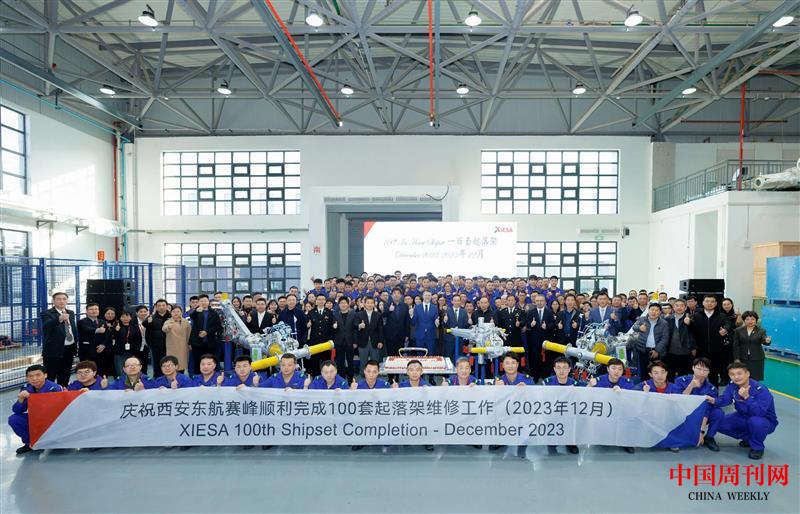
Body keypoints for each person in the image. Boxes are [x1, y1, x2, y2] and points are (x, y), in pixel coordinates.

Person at [711, 362, 778, 460]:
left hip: (764, 419)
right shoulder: (732, 386)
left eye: (739, 373)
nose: (736, 377)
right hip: (742, 416)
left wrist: (747, 397)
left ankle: (757, 447)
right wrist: (714, 400)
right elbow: (725, 399)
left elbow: (759, 412)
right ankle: (749, 438)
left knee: (756, 422)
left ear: (747, 374)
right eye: (732, 374)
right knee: (717, 423)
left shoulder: (761, 390)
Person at [8, 364, 63, 454]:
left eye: (38, 375)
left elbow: (56, 410)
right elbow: (17, 411)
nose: (34, 378)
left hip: (54, 420)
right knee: (14, 419)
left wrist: (34, 398)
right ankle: (30, 443)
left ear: (45, 375)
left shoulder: (54, 388)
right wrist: (20, 400)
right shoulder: (26, 388)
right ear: (27, 378)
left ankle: (54, 440)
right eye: (31, 376)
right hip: (36, 417)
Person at [675, 357, 723, 452]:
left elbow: (707, 410)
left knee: (718, 413)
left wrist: (701, 432)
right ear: (693, 368)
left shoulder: (711, 388)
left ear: (709, 372)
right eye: (699, 369)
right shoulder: (681, 380)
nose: (701, 372)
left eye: (705, 370)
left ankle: (709, 438)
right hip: (683, 413)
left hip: (700, 416)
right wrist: (691, 386)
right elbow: (678, 400)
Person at [686, 295, 732, 387]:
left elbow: (728, 324)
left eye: (712, 301)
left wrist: (726, 329)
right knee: (699, 374)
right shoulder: (696, 316)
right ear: (703, 303)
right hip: (700, 351)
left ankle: (713, 393)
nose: (709, 303)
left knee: (713, 375)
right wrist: (688, 323)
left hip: (716, 351)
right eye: (707, 301)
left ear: (716, 303)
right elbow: (691, 332)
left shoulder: (721, 316)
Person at [40, 292, 79, 387]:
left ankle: (63, 391)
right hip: (53, 351)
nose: (62, 301)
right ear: (53, 301)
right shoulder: (47, 313)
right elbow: (46, 326)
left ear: (67, 301)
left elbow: (72, 329)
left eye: (64, 299)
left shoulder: (71, 312)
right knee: (50, 375)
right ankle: (50, 393)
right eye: (58, 299)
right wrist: (59, 319)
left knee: (65, 374)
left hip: (69, 349)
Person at [393, 360, 432, 451]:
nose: (414, 373)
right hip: (407, 414)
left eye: (417, 370)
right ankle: (406, 434)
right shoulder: (401, 386)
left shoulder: (428, 386)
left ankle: (427, 440)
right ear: (407, 372)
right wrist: (393, 391)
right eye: (411, 370)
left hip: (422, 415)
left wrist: (430, 393)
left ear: (421, 372)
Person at [543, 357, 580, 455]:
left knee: (574, 419)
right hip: (552, 414)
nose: (561, 371)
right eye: (558, 368)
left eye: (564, 368)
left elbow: (589, 393)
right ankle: (552, 439)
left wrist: (591, 385)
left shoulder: (575, 384)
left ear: (569, 369)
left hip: (569, 414)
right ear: (554, 369)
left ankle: (570, 442)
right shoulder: (547, 383)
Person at [628, 303, 670, 381]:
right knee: (644, 372)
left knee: (657, 372)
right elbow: (634, 327)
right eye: (652, 310)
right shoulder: (642, 319)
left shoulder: (664, 323)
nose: (654, 312)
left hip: (658, 352)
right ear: (648, 310)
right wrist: (640, 328)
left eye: (656, 310)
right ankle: (645, 386)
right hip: (643, 350)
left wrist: (657, 350)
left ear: (660, 312)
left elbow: (665, 338)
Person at [189, 294, 223, 375]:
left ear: (208, 302)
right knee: (197, 362)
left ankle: (211, 378)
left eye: (205, 301)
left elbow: (217, 326)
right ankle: (198, 378)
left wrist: (207, 332)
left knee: (210, 361)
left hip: (210, 342)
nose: (203, 302)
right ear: (198, 303)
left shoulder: (214, 313)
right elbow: (191, 316)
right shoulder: (196, 312)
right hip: (197, 342)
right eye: (201, 301)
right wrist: (196, 311)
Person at [732, 311, 771, 381]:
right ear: (744, 320)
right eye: (747, 319)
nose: (750, 321)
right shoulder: (738, 330)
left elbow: (764, 340)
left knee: (755, 379)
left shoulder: (761, 331)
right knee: (742, 378)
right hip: (742, 358)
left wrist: (767, 341)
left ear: (756, 320)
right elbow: (736, 345)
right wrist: (736, 358)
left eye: (753, 319)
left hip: (757, 359)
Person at [664, 299, 695, 380]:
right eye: (677, 305)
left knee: (683, 375)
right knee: (670, 375)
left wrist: (689, 323)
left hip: (685, 352)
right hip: (670, 351)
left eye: (682, 305)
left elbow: (695, 332)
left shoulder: (690, 318)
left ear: (685, 308)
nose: (679, 307)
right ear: (673, 307)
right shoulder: (668, 319)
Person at [527, 293, 555, 381]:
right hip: (534, 340)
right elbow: (527, 324)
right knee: (535, 358)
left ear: (545, 302)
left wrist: (546, 326)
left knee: (546, 358)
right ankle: (535, 376)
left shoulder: (549, 312)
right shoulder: (531, 312)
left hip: (546, 340)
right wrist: (531, 324)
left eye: (541, 301)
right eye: (537, 301)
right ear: (535, 302)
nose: (539, 302)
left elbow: (553, 324)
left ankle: (545, 376)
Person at [307, 295, 335, 376]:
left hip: (326, 342)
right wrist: (307, 325)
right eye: (319, 299)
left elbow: (331, 327)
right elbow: (307, 325)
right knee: (315, 362)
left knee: (326, 361)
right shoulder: (311, 312)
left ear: (325, 301)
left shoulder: (329, 312)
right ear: (316, 301)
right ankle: (316, 377)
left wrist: (331, 339)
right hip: (314, 342)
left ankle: (326, 377)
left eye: (323, 299)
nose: (321, 301)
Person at [356, 297, 383, 378]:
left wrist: (380, 341)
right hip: (362, 342)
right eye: (367, 302)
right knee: (363, 362)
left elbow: (380, 329)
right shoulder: (359, 314)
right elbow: (354, 327)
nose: (369, 304)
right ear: (364, 304)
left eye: (371, 303)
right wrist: (359, 326)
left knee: (375, 361)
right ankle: (362, 378)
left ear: (374, 304)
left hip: (375, 342)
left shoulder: (378, 315)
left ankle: (376, 377)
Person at [111, 310, 143, 378]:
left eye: (127, 316)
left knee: (133, 371)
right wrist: (116, 331)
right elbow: (113, 339)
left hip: (132, 352)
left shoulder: (135, 327)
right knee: (120, 372)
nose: (125, 318)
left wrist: (135, 352)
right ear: (120, 318)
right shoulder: (116, 327)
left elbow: (139, 340)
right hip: (119, 353)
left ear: (131, 317)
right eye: (123, 316)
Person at [144, 299, 171, 377]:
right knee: (156, 363)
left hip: (169, 345)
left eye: (163, 305)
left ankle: (169, 377)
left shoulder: (171, 317)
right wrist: (149, 322)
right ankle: (157, 377)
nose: (161, 307)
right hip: (155, 345)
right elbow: (145, 325)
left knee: (169, 362)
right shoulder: (151, 317)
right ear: (156, 307)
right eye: (159, 305)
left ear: (167, 306)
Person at [162, 305, 191, 373]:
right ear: (171, 313)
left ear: (181, 312)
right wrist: (168, 327)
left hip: (183, 346)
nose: (176, 313)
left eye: (178, 311)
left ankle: (181, 376)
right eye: (174, 311)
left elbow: (189, 333)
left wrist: (189, 344)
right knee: (172, 363)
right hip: (172, 347)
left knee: (182, 364)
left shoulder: (185, 322)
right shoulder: (168, 321)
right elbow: (164, 329)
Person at [381, 287, 409, 359]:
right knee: (391, 354)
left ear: (401, 295)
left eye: (398, 293)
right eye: (394, 293)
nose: (396, 295)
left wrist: (407, 334)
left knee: (400, 354)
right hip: (390, 335)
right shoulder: (387, 304)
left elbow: (406, 321)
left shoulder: (405, 306)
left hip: (401, 334)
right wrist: (389, 311)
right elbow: (383, 316)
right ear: (391, 295)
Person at [410, 291, 439, 355]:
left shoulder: (434, 308)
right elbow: (413, 323)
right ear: (423, 296)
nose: (427, 297)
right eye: (426, 295)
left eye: (429, 295)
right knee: (420, 355)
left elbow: (437, 321)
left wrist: (437, 323)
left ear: (431, 297)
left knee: (430, 355)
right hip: (419, 335)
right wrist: (411, 316)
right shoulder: (417, 307)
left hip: (431, 335)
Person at [95, 306, 118, 377]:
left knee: (116, 368)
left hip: (115, 349)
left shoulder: (118, 323)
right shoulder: (100, 323)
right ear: (104, 314)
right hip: (103, 349)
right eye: (108, 313)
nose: (110, 315)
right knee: (103, 369)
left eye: (112, 314)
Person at [133, 305, 152, 375]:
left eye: (145, 311)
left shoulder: (149, 321)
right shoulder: (133, 322)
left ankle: (144, 378)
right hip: (135, 346)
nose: (143, 313)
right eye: (141, 312)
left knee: (144, 365)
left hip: (145, 345)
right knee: (135, 364)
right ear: (137, 313)